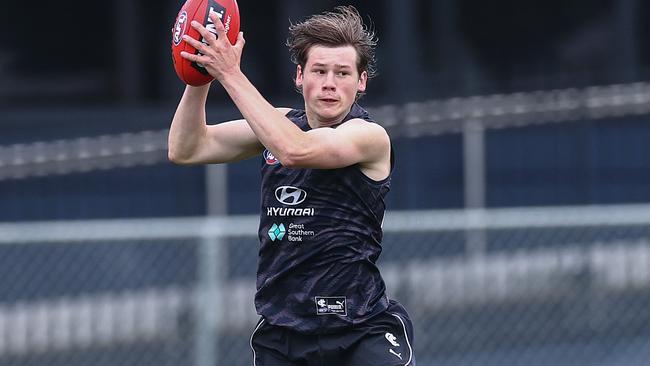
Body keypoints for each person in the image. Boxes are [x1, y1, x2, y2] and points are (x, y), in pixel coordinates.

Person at [168, 5, 415, 366]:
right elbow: (186, 148)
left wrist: (230, 72)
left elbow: (294, 150)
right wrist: (200, 73)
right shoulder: (279, 123)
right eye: (319, 70)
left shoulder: (369, 136)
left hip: (360, 331)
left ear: (361, 82)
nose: (330, 82)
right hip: (283, 335)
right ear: (300, 76)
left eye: (343, 72)